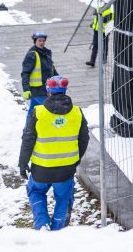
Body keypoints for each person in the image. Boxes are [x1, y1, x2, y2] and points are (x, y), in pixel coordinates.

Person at [18, 75, 89, 231]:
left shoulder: (38, 113)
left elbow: (27, 140)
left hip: (41, 170)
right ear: (64, 91)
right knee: (64, 198)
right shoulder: (77, 112)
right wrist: (75, 159)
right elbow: (84, 139)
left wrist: (23, 164)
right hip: (66, 171)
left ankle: (42, 225)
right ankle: (58, 231)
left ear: (48, 92)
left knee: (36, 191)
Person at [21, 31, 57, 125]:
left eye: (43, 40)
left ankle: (27, 131)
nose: (42, 42)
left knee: (32, 112)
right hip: (37, 89)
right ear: (35, 41)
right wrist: (26, 89)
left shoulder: (46, 53)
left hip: (46, 88)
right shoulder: (32, 55)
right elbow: (25, 73)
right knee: (51, 108)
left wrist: (59, 79)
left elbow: (51, 69)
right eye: (39, 40)